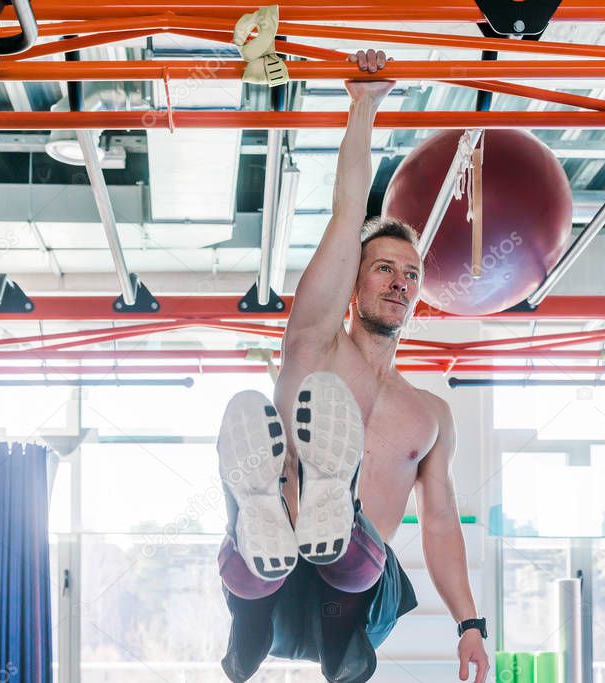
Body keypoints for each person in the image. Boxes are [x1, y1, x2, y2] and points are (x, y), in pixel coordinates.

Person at [216, 49, 489, 683]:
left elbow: (442, 524)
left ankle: (331, 511)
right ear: (354, 283)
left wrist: (469, 625)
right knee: (261, 523)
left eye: (412, 275)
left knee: (351, 549)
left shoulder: (431, 414)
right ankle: (282, 518)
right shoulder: (315, 346)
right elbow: (346, 214)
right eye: (384, 268)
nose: (400, 282)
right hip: (275, 573)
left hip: (360, 601)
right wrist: (363, 107)